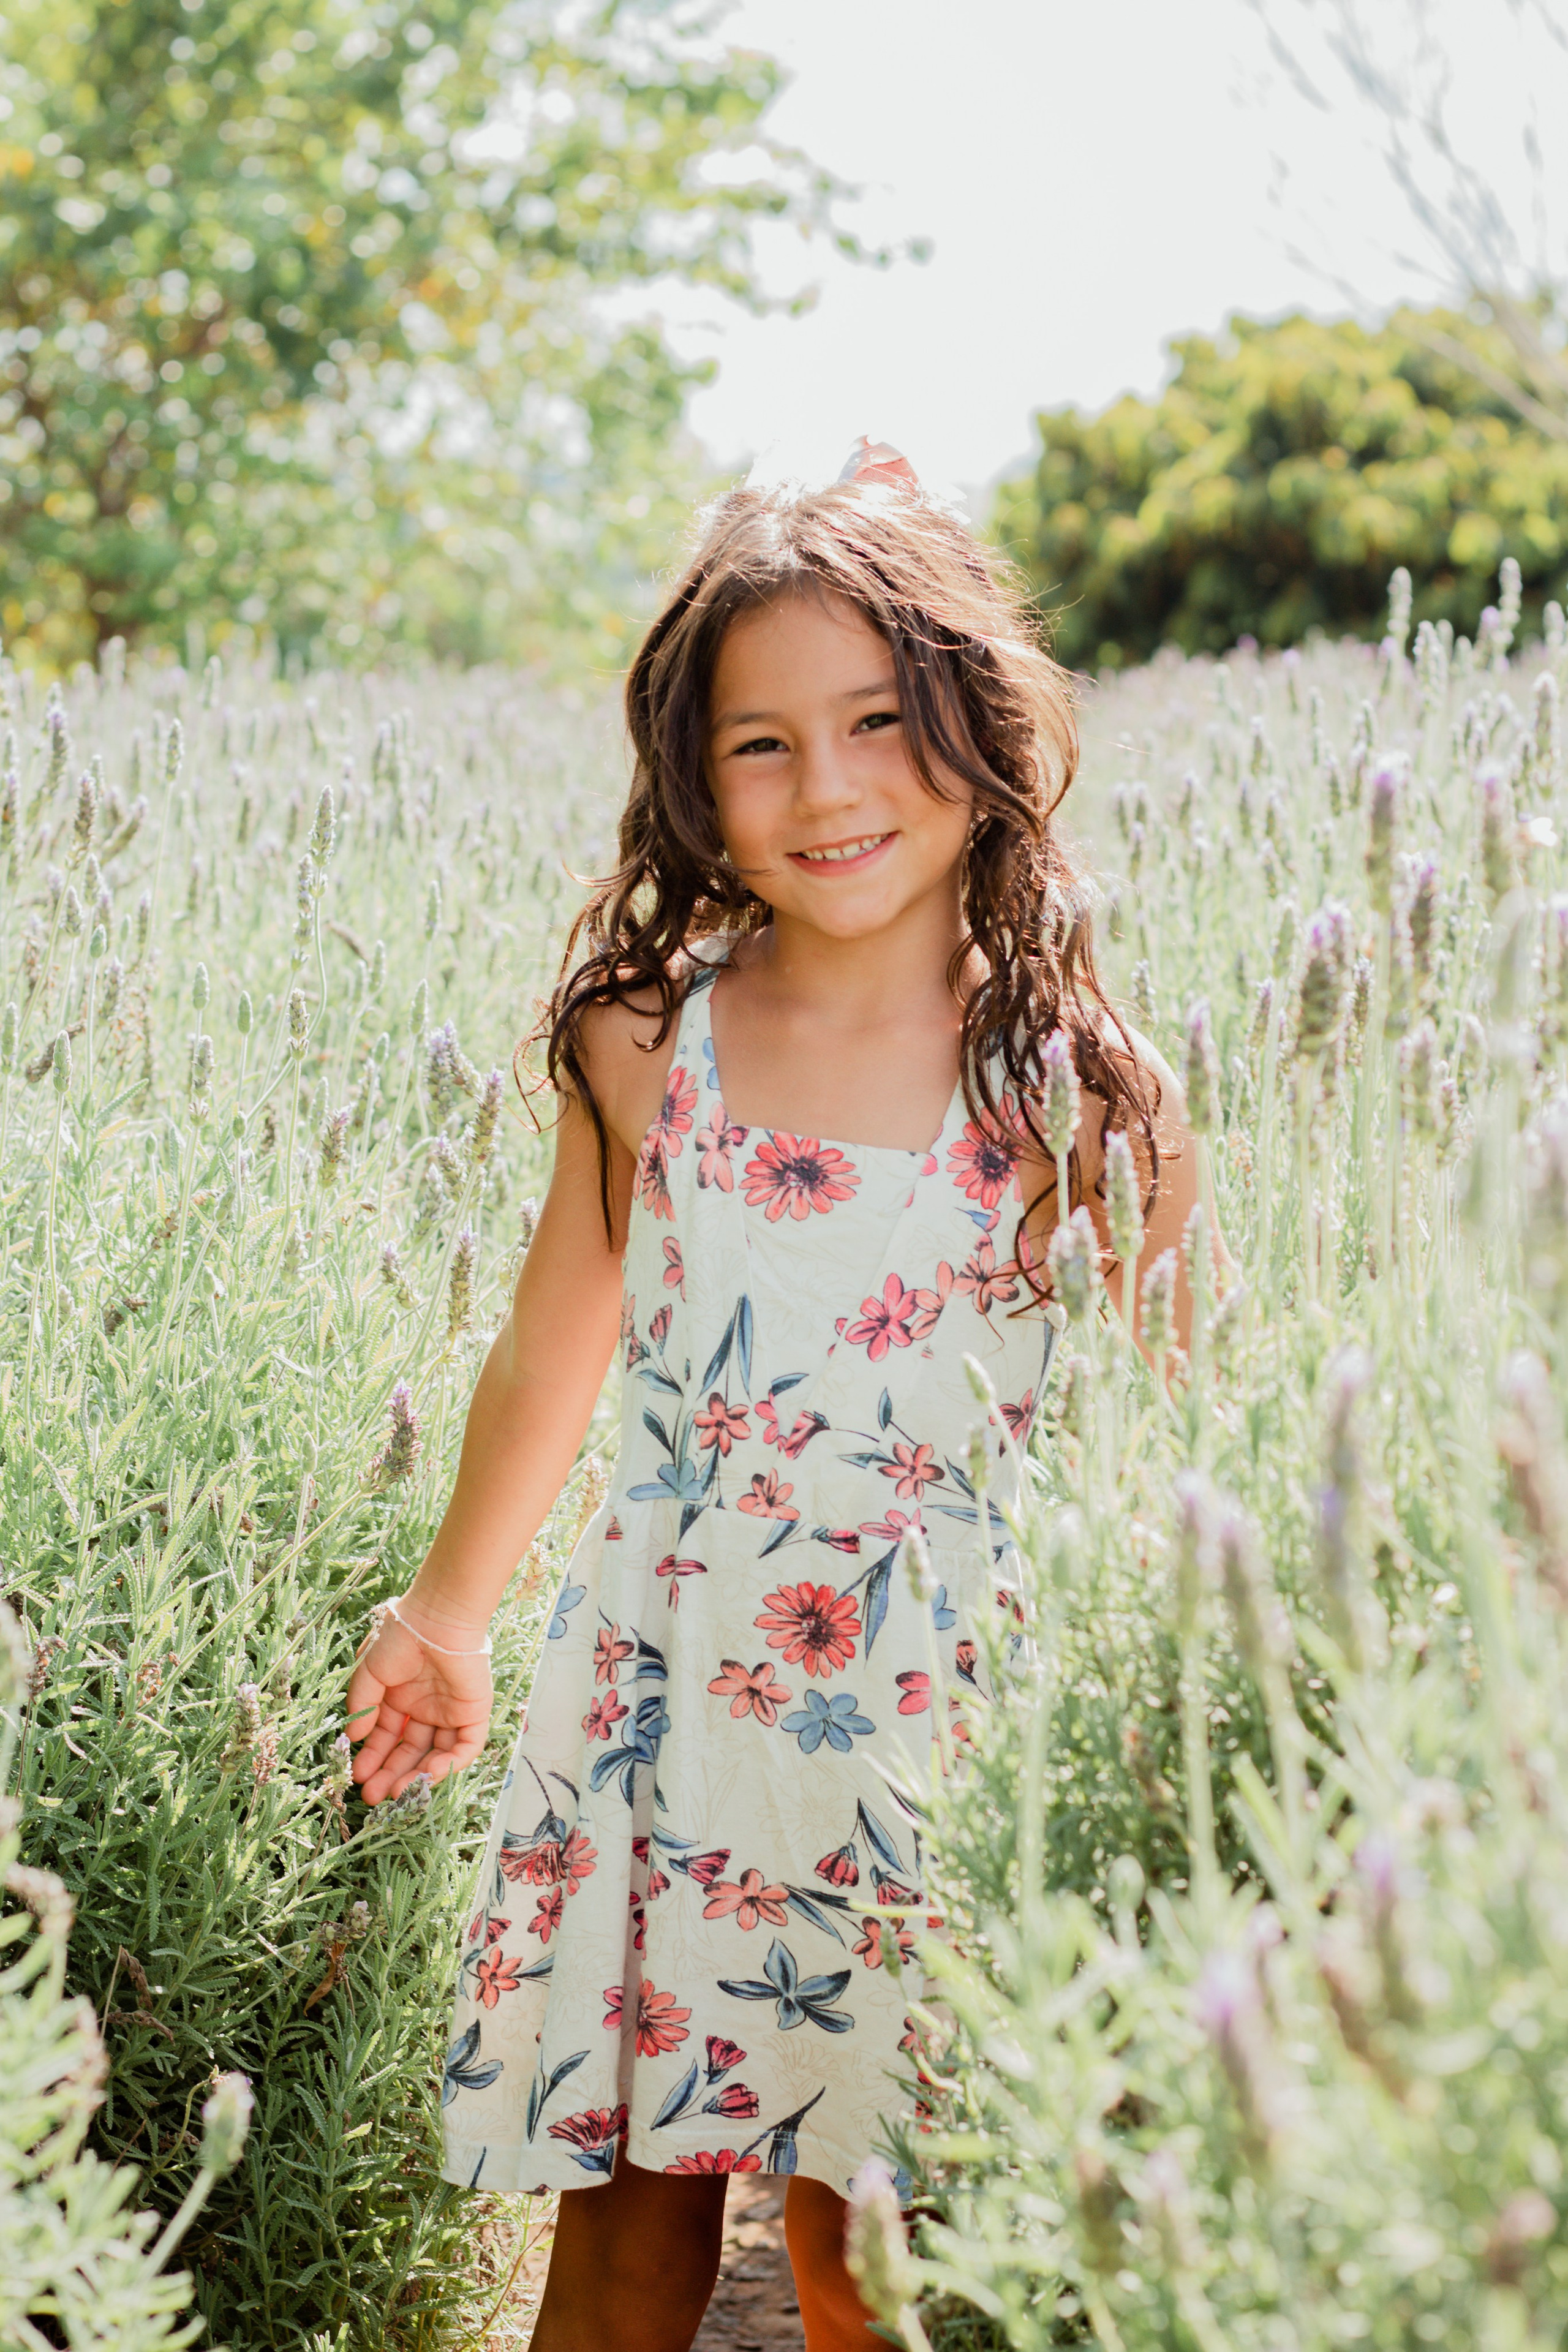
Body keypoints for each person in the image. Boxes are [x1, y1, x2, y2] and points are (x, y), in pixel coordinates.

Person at [345, 441, 1205, 2351]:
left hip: (935, 1735)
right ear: (692, 779)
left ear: (983, 727)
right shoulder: (647, 1041)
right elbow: (545, 1354)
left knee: (861, 2252)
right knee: (631, 2236)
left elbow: (1174, 1450)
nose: (829, 789)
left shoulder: (1079, 1087)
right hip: (669, 1695)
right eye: (762, 745)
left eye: (882, 723)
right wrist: (452, 1614)